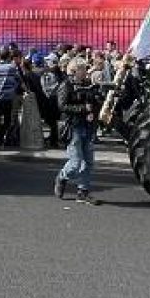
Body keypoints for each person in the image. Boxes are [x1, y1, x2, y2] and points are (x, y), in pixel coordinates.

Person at [54, 59, 100, 204]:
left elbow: (92, 102)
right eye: (82, 69)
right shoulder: (66, 85)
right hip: (73, 127)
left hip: (87, 126)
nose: (86, 71)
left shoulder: (87, 85)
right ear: (74, 70)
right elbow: (62, 106)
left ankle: (83, 191)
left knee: (88, 161)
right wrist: (82, 109)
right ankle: (62, 176)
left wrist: (93, 108)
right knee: (75, 163)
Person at [0, 46, 23, 150]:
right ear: (8, 57)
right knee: (7, 119)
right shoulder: (12, 68)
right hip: (8, 98)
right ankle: (3, 137)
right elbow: (19, 80)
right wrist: (12, 89)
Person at [38, 52, 64, 147]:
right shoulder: (45, 73)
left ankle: (54, 140)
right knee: (50, 121)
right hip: (49, 100)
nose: (46, 63)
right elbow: (44, 88)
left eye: (48, 61)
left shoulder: (60, 75)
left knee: (53, 121)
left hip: (55, 100)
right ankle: (53, 138)